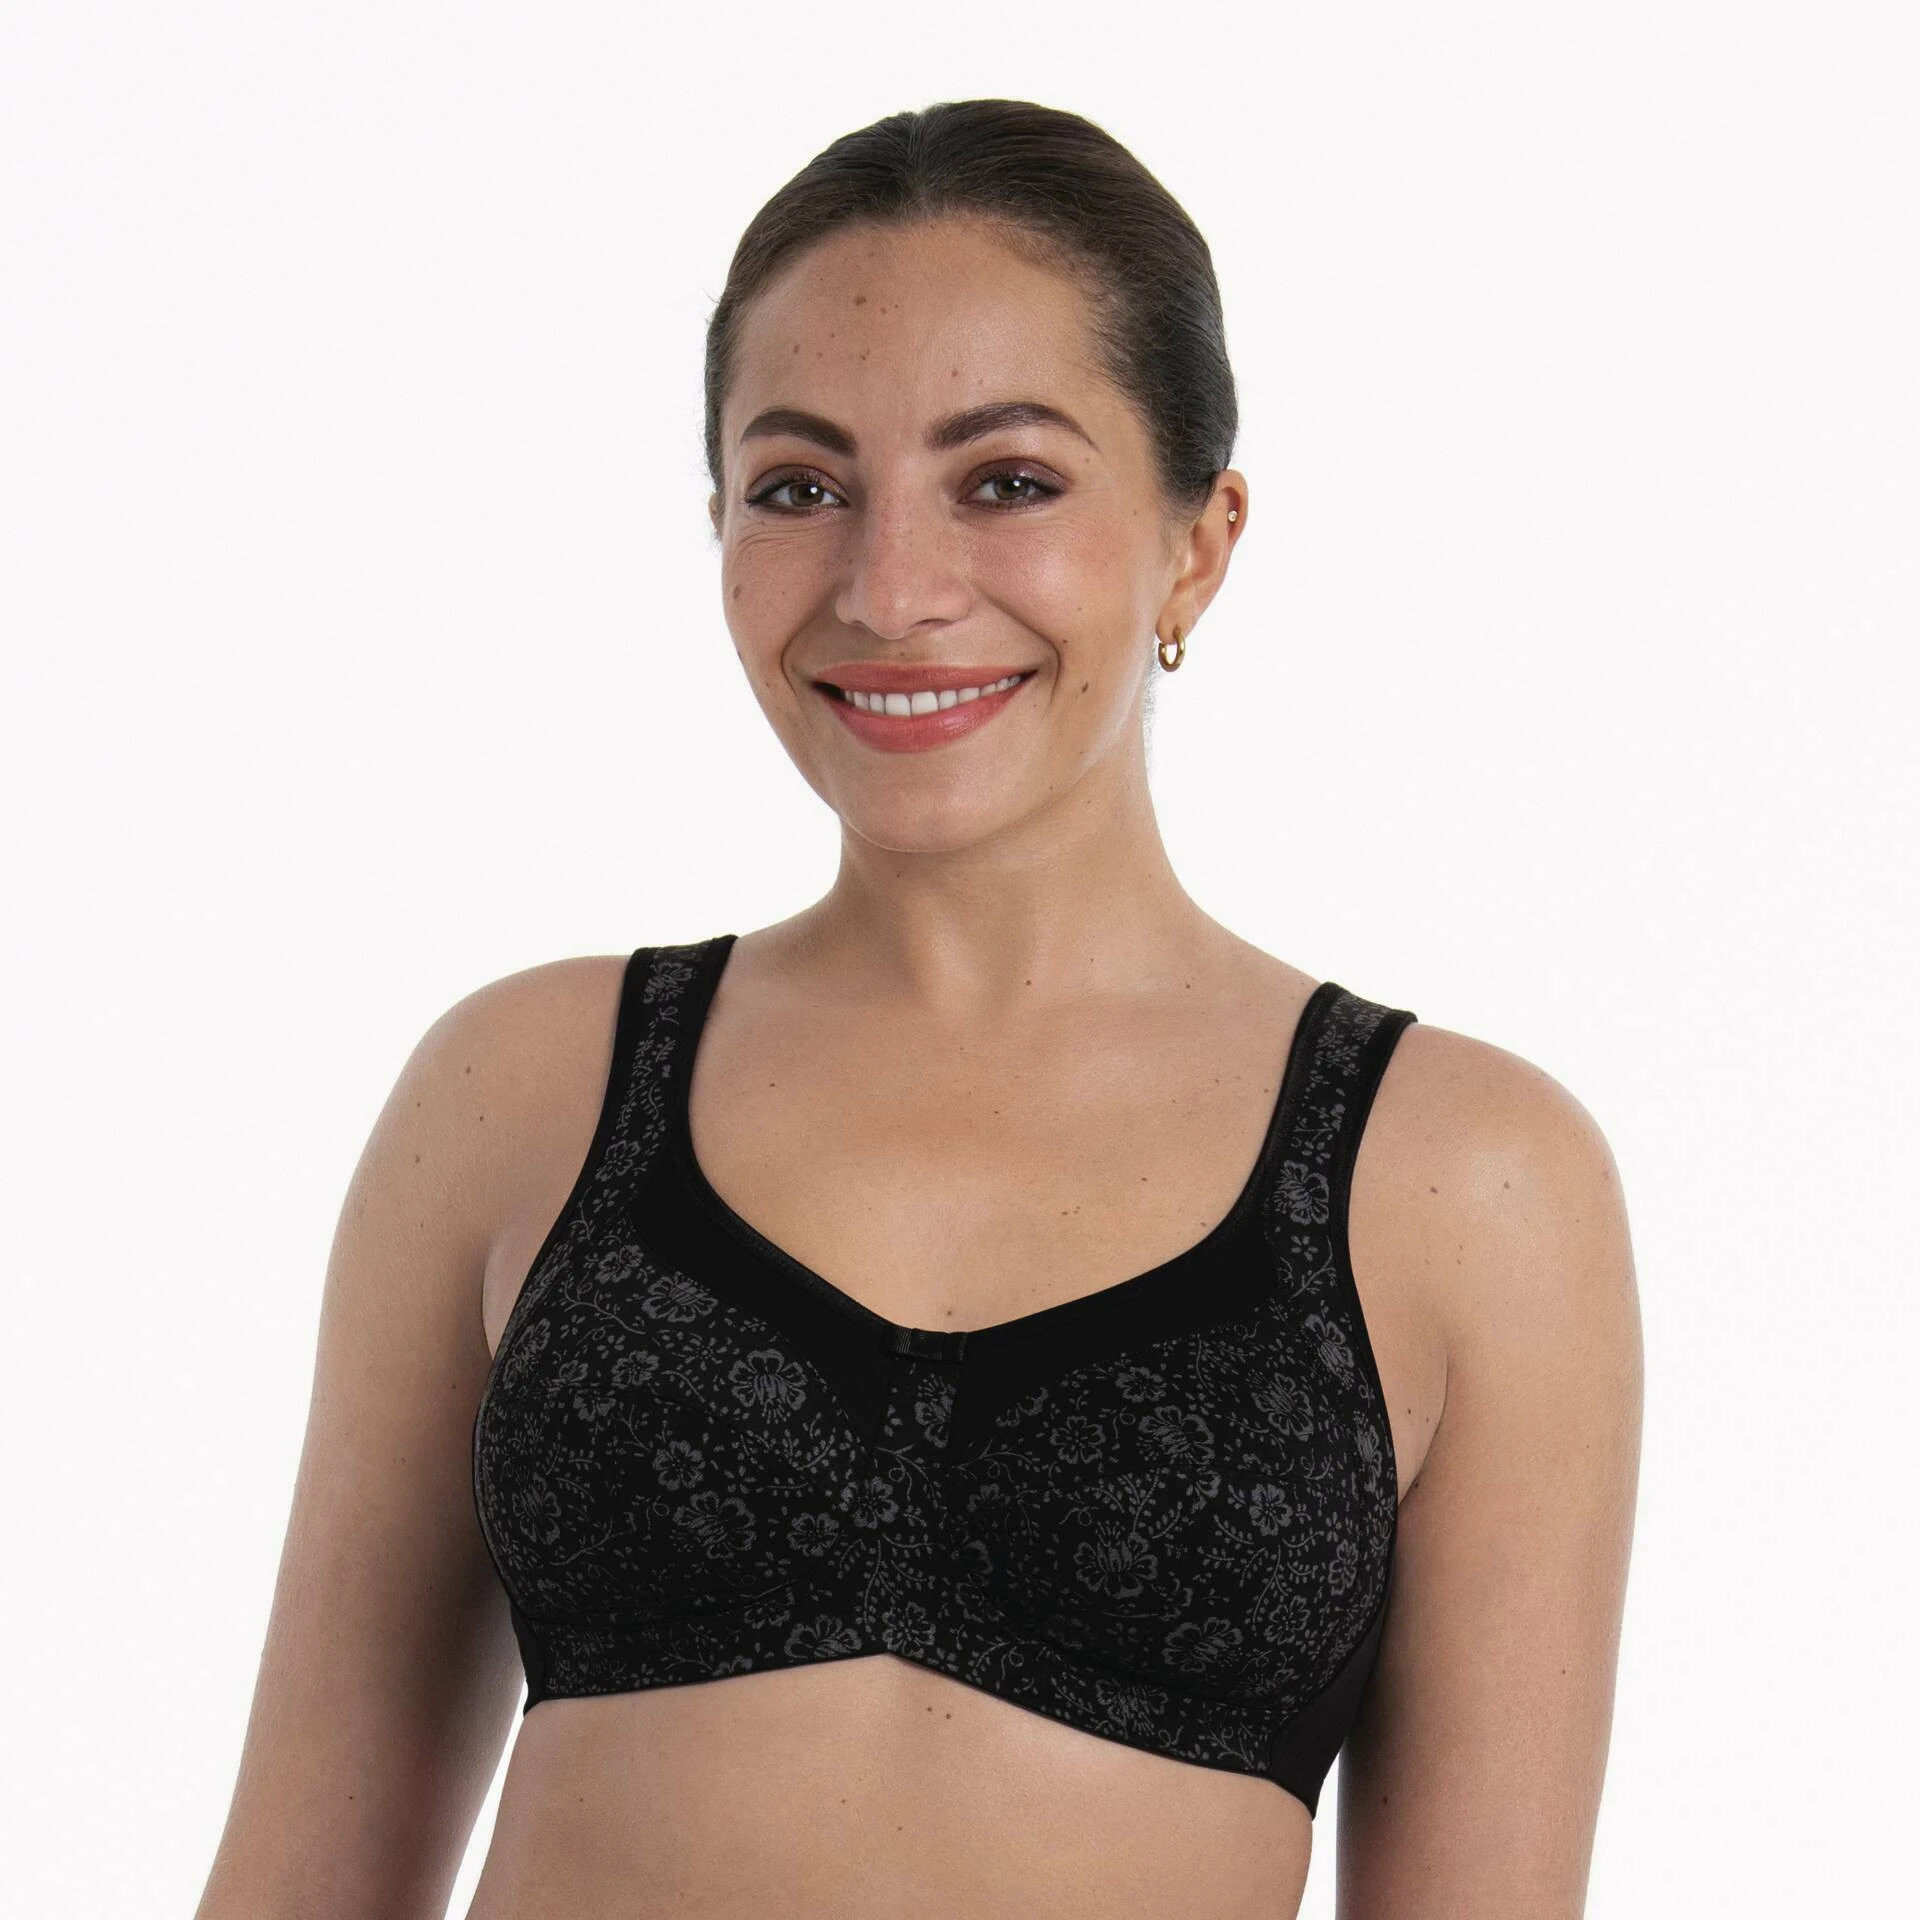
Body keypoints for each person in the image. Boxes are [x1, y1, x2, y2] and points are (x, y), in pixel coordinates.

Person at [196, 99, 1642, 1920]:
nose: (891, 591)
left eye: (1008, 481)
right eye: (800, 488)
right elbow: (296, 1884)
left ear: (1198, 541)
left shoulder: (1466, 1179)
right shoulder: (526, 1090)